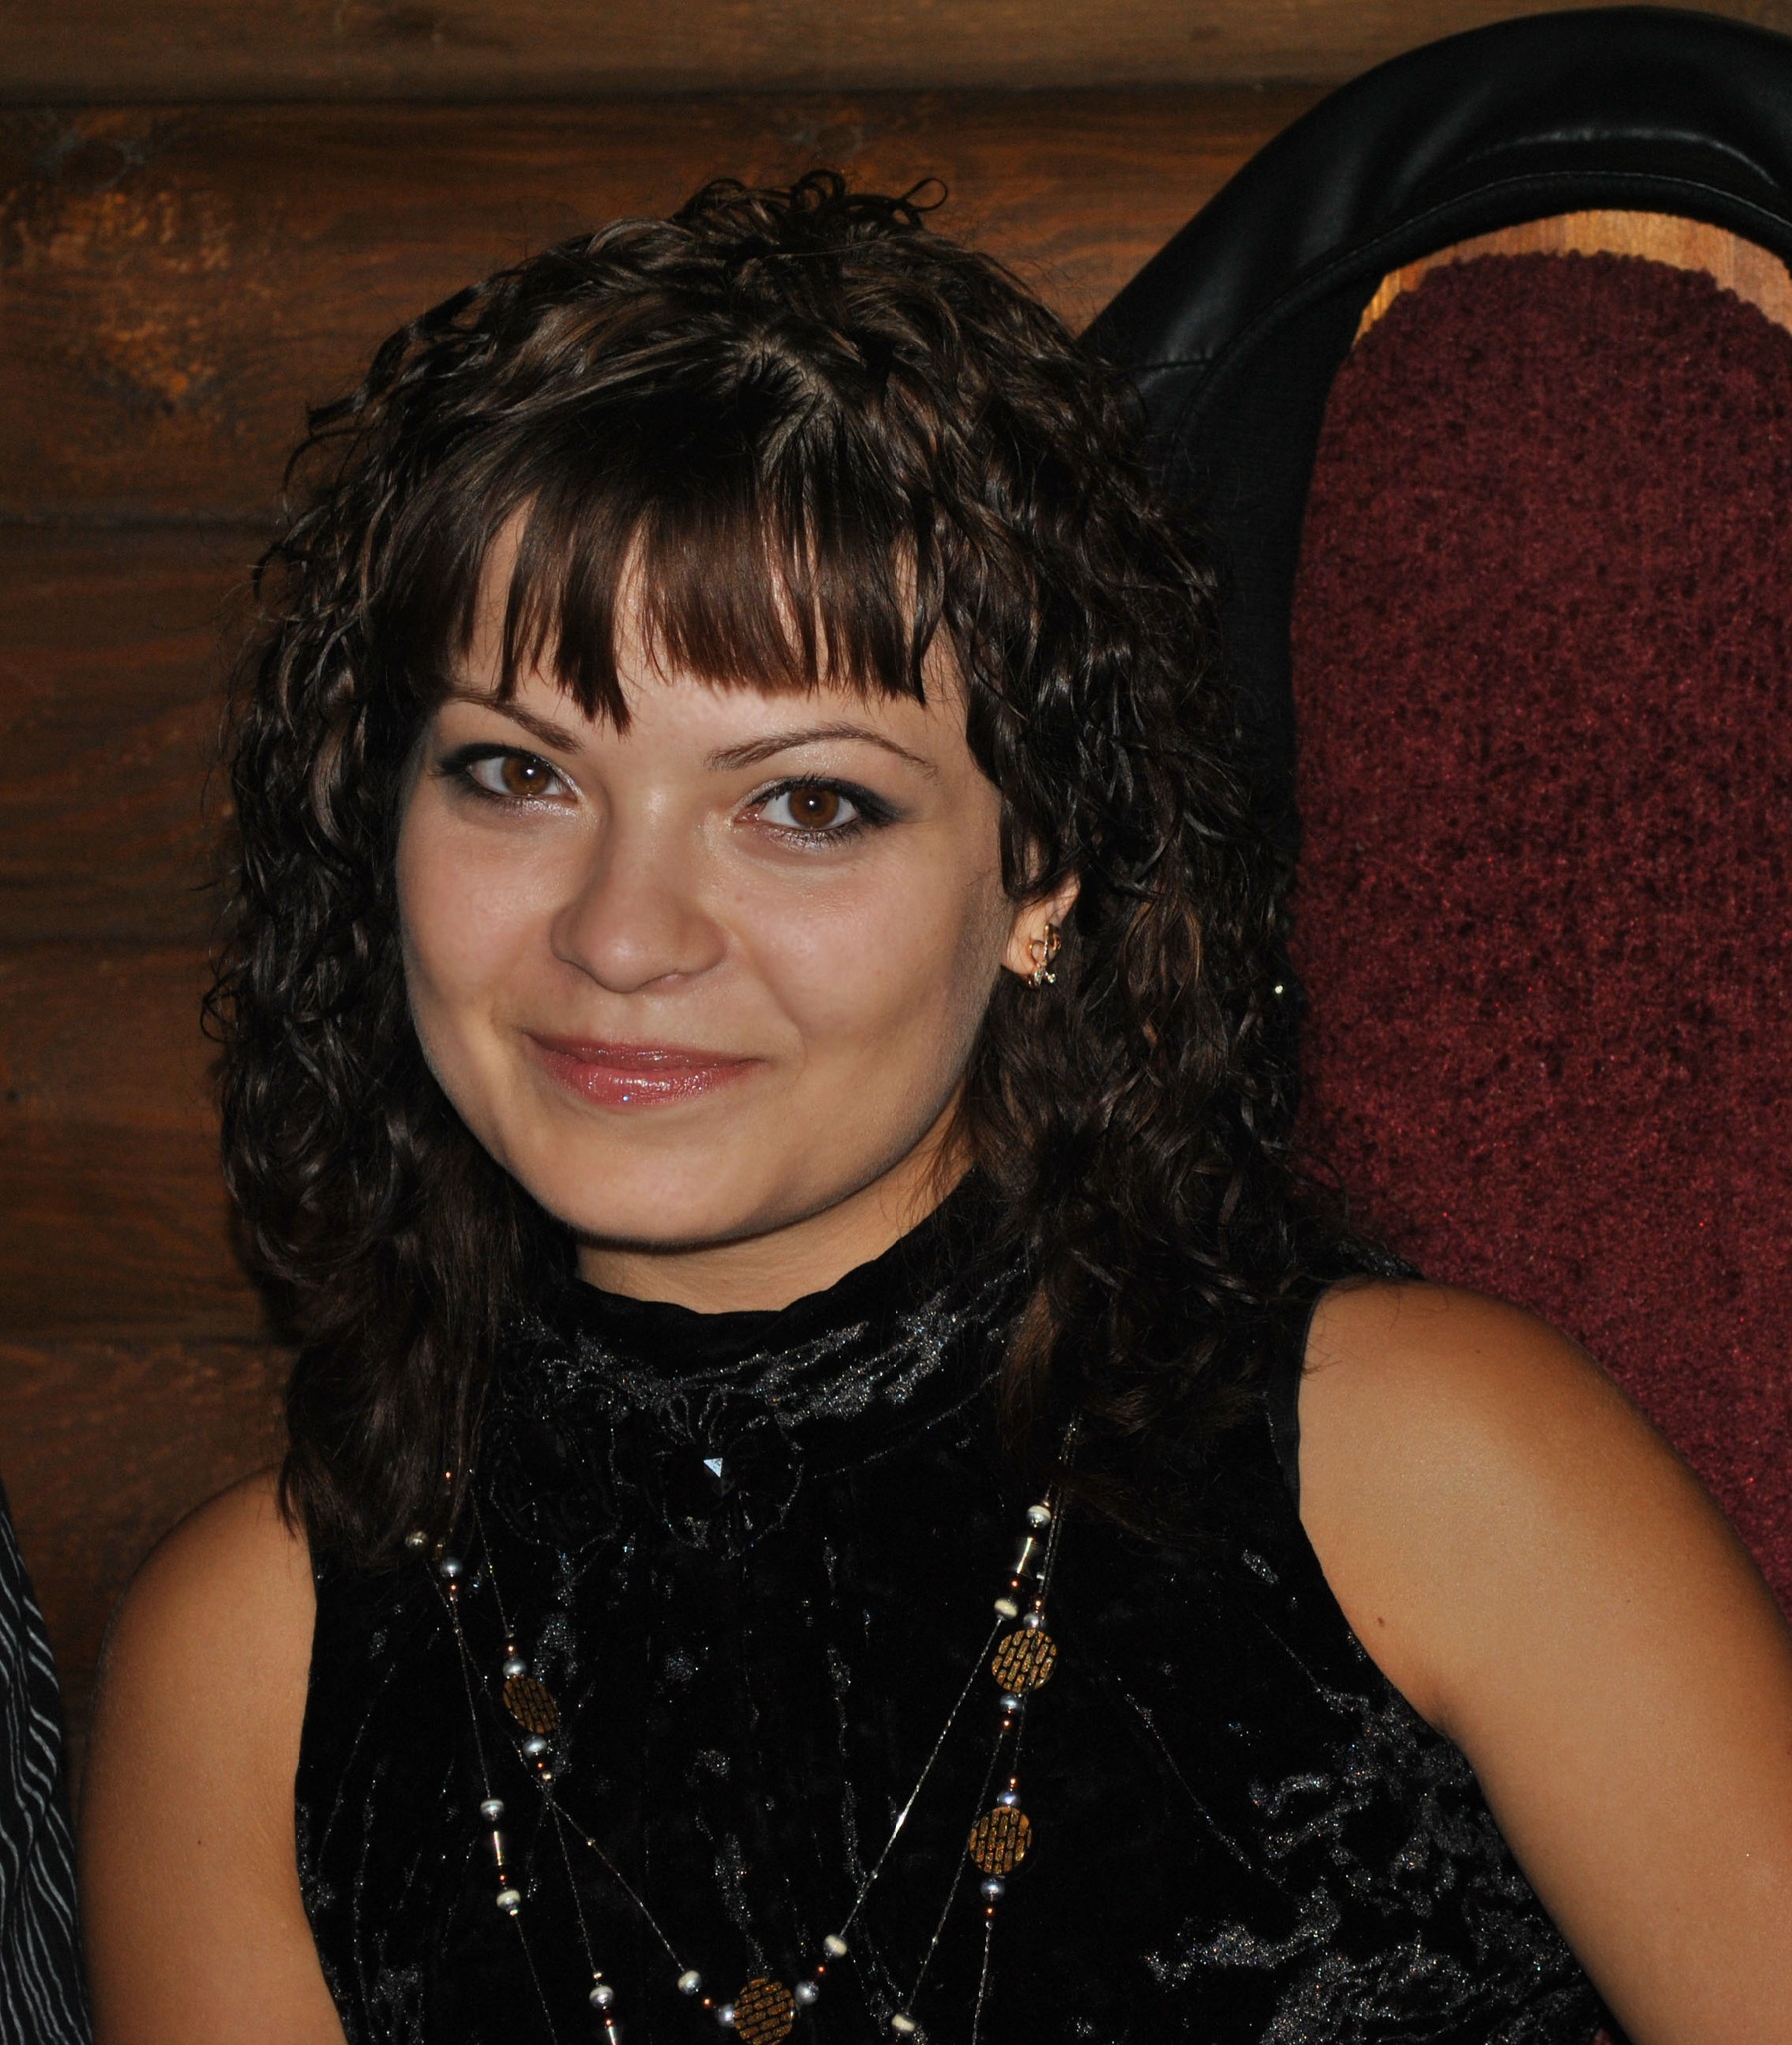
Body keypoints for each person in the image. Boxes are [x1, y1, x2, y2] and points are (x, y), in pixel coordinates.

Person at [76, 174, 1792, 2044]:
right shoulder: (248, 1668)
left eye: (806, 803)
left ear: (1043, 874)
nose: (621, 934)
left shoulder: (1433, 1471)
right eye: (516, 774)